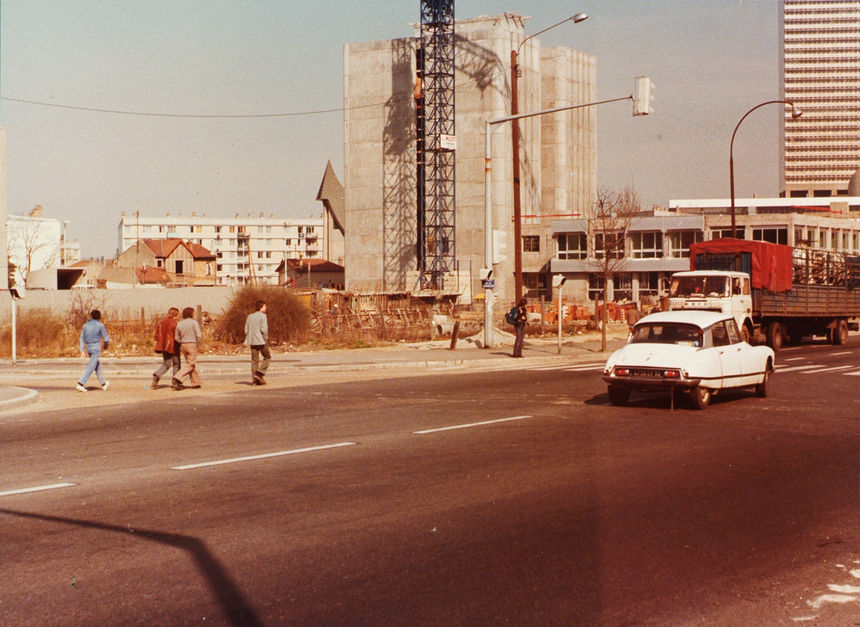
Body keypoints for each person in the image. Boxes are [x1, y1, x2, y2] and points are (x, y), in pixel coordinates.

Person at [76, 309, 110, 392]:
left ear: (91, 316)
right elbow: (106, 338)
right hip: (96, 347)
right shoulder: (100, 325)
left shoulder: (85, 325)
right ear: (99, 317)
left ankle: (103, 384)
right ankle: (81, 383)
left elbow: (81, 338)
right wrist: (106, 346)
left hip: (89, 348)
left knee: (96, 365)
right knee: (91, 366)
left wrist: (82, 350)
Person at [173, 307, 202, 390]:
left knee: (191, 363)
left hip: (183, 345)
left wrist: (181, 342)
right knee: (191, 364)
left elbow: (177, 337)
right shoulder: (194, 323)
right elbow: (198, 335)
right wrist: (198, 344)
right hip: (192, 344)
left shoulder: (180, 323)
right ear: (191, 313)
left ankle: (196, 383)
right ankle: (178, 377)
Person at [152, 307, 180, 389]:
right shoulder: (175, 323)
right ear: (176, 314)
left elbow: (157, 336)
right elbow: (177, 336)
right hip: (173, 346)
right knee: (176, 364)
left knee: (166, 364)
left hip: (164, 346)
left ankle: (156, 376)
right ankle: (175, 382)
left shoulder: (161, 323)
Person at [244, 300, 271, 386]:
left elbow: (246, 330)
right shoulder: (263, 316)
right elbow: (264, 329)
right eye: (264, 306)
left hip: (252, 341)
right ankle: (260, 373)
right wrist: (266, 338)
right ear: (261, 307)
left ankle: (255, 381)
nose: (266, 308)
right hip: (261, 341)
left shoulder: (250, 316)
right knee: (267, 357)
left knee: (254, 361)